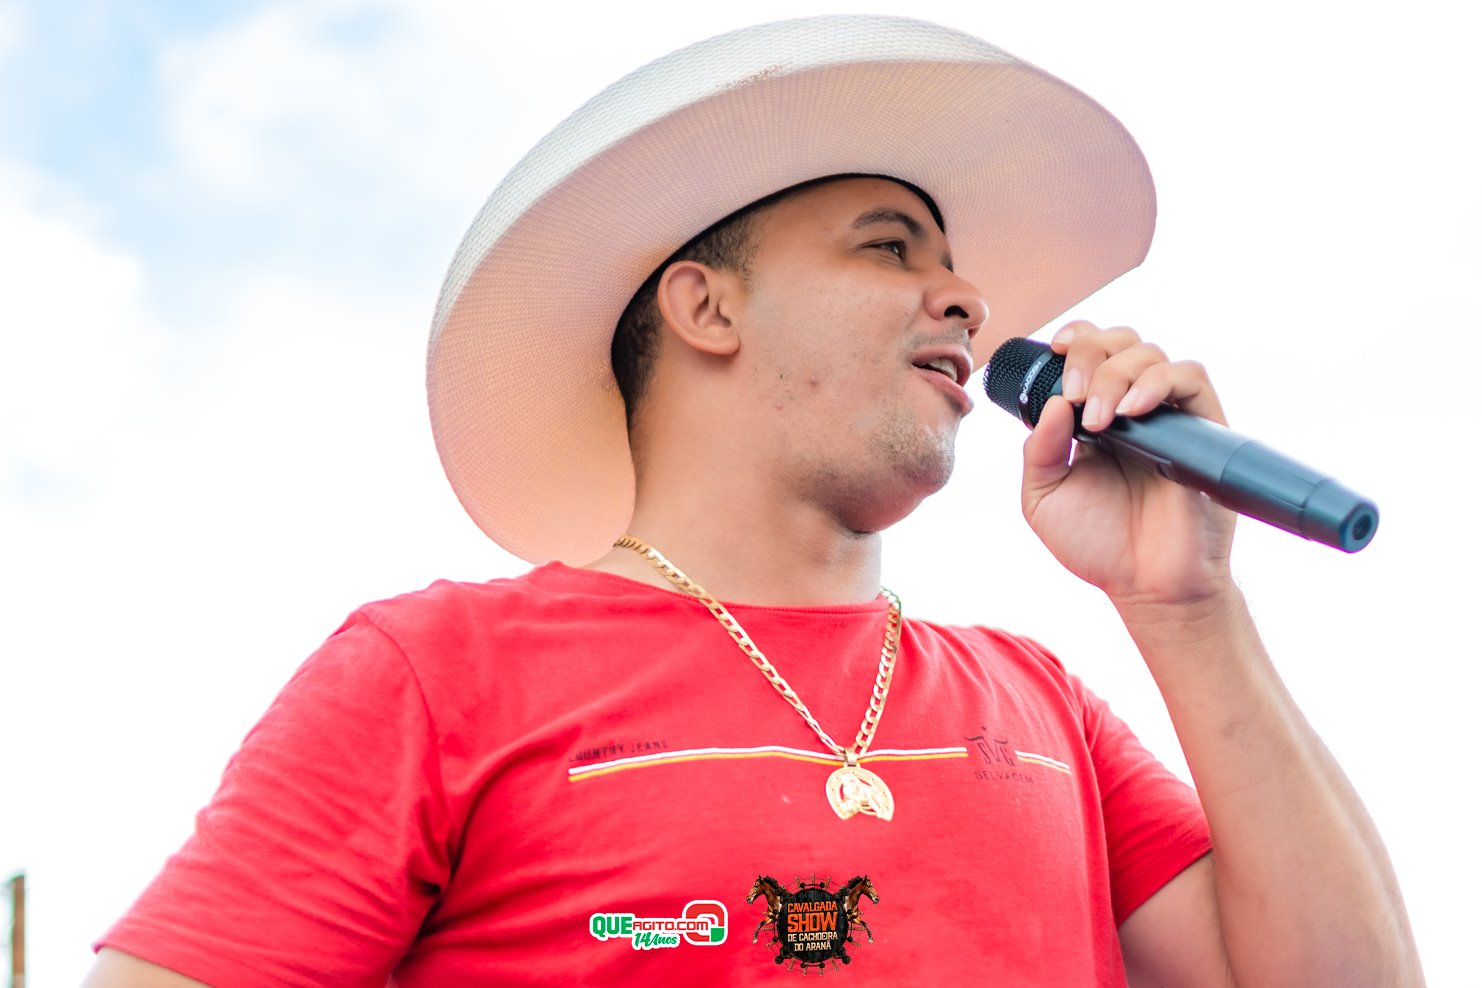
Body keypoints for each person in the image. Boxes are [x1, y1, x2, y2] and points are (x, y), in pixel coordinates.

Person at [83, 16, 1421, 987]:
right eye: (888, 248)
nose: (964, 300)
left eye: (959, 271)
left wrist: (1185, 603)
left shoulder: (1044, 707)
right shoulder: (433, 674)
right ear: (705, 306)